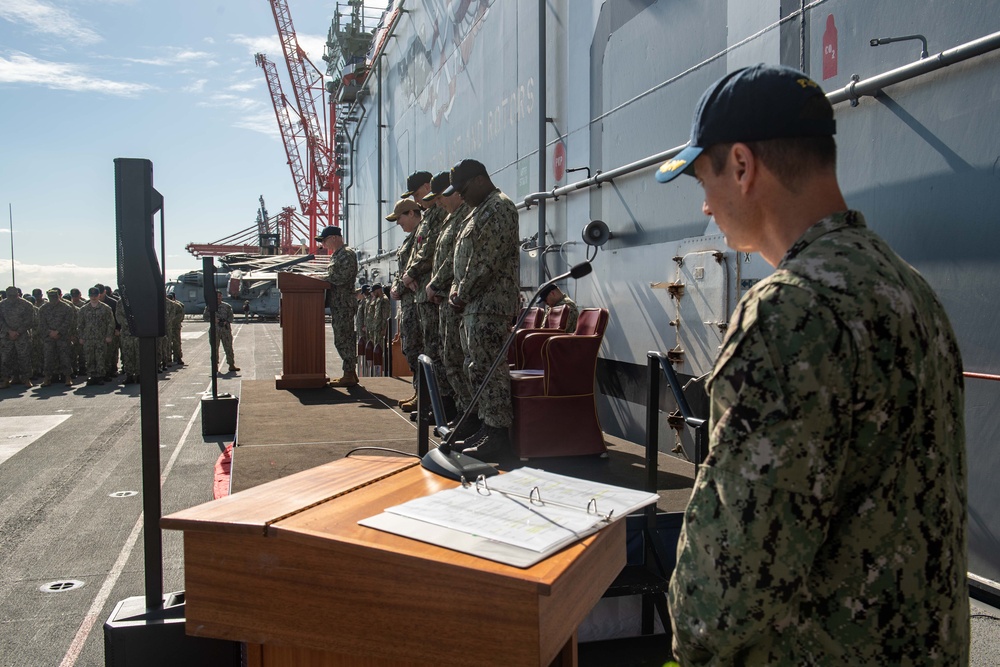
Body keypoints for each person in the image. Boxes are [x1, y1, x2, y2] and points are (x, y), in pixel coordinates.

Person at [656, 64, 968, 665]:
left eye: (704, 176)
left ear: (742, 166)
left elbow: (726, 589)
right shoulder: (909, 289)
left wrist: (688, 640)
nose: (704, 205)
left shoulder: (787, 311)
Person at [445, 159, 519, 457]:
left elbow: (485, 262)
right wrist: (454, 289)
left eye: (463, 189)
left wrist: (461, 292)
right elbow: (461, 262)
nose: (460, 197)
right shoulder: (477, 211)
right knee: (476, 368)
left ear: (478, 180)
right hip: (474, 305)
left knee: (489, 370)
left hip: (490, 304)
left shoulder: (498, 208)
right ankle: (486, 427)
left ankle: (498, 434)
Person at [425, 170, 475, 431]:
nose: (439, 202)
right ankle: (463, 412)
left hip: (457, 300)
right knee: (449, 358)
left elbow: (453, 260)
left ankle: (469, 416)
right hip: (446, 299)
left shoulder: (463, 218)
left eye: (443, 196)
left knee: (458, 359)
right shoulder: (450, 219)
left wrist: (435, 284)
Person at [387, 198, 424, 408]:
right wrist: (396, 286)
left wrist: (399, 286)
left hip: (417, 305)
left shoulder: (422, 234)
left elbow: (415, 271)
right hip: (408, 304)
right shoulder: (409, 240)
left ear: (411, 213)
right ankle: (419, 391)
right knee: (410, 348)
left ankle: (424, 396)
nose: (398, 223)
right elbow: (402, 273)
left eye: (399, 218)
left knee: (418, 348)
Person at [317, 225, 359, 386]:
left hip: (344, 303)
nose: (323, 244)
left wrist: (319, 278)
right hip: (338, 303)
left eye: (325, 240)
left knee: (344, 338)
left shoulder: (346, 254)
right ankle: (350, 373)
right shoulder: (337, 255)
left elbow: (341, 277)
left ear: (334, 237)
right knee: (342, 337)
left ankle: (349, 373)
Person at [37, 288, 76, 387]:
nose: (53, 300)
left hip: (62, 337)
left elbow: (68, 322)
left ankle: (68, 377)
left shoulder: (66, 308)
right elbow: (41, 323)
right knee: (48, 358)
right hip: (49, 337)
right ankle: (47, 378)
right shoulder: (43, 308)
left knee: (65, 357)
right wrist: (50, 332)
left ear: (59, 296)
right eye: (51, 298)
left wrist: (58, 331)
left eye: (55, 297)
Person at [77, 286, 115, 385]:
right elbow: (80, 324)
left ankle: (100, 376)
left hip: (101, 338)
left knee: (100, 357)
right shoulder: (83, 309)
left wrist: (109, 336)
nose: (93, 297)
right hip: (88, 338)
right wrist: (81, 337)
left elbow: (111, 323)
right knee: (89, 358)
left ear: (99, 295)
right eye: (91, 295)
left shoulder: (106, 308)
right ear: (89, 296)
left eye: (95, 295)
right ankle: (91, 375)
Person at [0, 286, 36, 387]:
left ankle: (26, 379)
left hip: (22, 335)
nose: (12, 298)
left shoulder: (26, 305)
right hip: (7, 336)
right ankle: (6, 379)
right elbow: (0, 320)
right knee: (6, 358)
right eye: (10, 296)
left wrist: (18, 332)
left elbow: (29, 321)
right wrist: (9, 331)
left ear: (18, 294)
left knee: (24, 357)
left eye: (14, 295)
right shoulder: (2, 305)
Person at [204, 293, 240, 373]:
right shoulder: (210, 307)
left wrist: (225, 322)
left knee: (229, 348)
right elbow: (205, 317)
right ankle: (215, 366)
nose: (218, 298)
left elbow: (231, 317)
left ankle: (231, 365)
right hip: (214, 330)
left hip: (225, 330)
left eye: (219, 296)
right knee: (214, 349)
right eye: (216, 296)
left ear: (221, 297)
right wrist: (213, 320)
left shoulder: (227, 306)